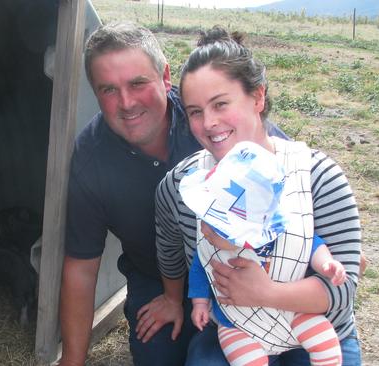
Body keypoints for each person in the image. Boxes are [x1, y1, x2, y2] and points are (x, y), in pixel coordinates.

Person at [58, 21, 289, 366]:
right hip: (155, 276)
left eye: (138, 83)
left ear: (165, 77)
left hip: (242, 269)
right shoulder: (92, 158)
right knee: (159, 356)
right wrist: (72, 361)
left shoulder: (208, 119)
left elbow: (289, 176)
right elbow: (81, 265)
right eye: (108, 90)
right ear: (95, 94)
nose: (126, 102)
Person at [155, 26, 363, 365]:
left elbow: (340, 291)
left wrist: (266, 292)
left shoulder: (318, 176)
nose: (208, 123)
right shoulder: (181, 187)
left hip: (312, 327)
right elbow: (171, 255)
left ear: (258, 98)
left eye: (221, 104)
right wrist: (176, 298)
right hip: (237, 328)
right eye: (195, 111)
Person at [182, 141, 346, 366]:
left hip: (292, 310)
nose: (204, 231)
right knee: (245, 359)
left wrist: (327, 263)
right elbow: (200, 269)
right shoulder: (210, 246)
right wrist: (199, 304)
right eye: (205, 221)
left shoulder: (283, 234)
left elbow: (312, 245)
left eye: (215, 228)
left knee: (325, 341)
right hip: (235, 322)